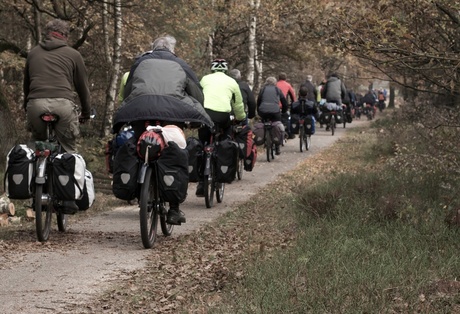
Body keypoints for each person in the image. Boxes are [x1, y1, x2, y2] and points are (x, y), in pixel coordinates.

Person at [113, 35, 213, 225]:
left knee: (137, 142)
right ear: (172, 50)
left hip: (140, 110)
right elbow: (197, 95)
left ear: (152, 48)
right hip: (172, 113)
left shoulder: (140, 63)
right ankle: (174, 209)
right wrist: (195, 115)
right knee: (176, 150)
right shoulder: (180, 64)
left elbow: (127, 92)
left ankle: (136, 185)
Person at [23, 18, 91, 155]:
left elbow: (26, 86)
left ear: (47, 33)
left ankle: (31, 173)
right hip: (63, 105)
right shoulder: (74, 55)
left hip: (36, 104)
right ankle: (69, 172)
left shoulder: (33, 53)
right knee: (68, 150)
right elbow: (82, 88)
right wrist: (86, 113)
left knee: (35, 144)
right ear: (65, 36)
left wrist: (27, 106)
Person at [196, 59, 247, 196]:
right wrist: (240, 118)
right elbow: (238, 104)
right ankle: (220, 170)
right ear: (225, 70)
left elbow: (197, 97)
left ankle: (201, 180)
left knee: (203, 142)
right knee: (225, 139)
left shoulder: (204, 79)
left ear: (212, 69)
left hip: (205, 114)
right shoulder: (232, 82)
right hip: (223, 115)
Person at [257, 76, 288, 155]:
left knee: (263, 123)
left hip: (263, 111)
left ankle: (264, 139)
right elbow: (284, 102)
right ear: (275, 83)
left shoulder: (262, 89)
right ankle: (277, 147)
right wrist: (284, 111)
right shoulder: (277, 90)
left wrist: (259, 111)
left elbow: (259, 101)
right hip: (275, 111)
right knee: (277, 123)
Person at [276, 72, 296, 139]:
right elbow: (293, 95)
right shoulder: (288, 85)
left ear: (278, 78)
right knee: (287, 119)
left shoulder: (275, 84)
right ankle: (289, 133)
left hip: (275, 105)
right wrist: (293, 103)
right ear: (286, 78)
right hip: (284, 105)